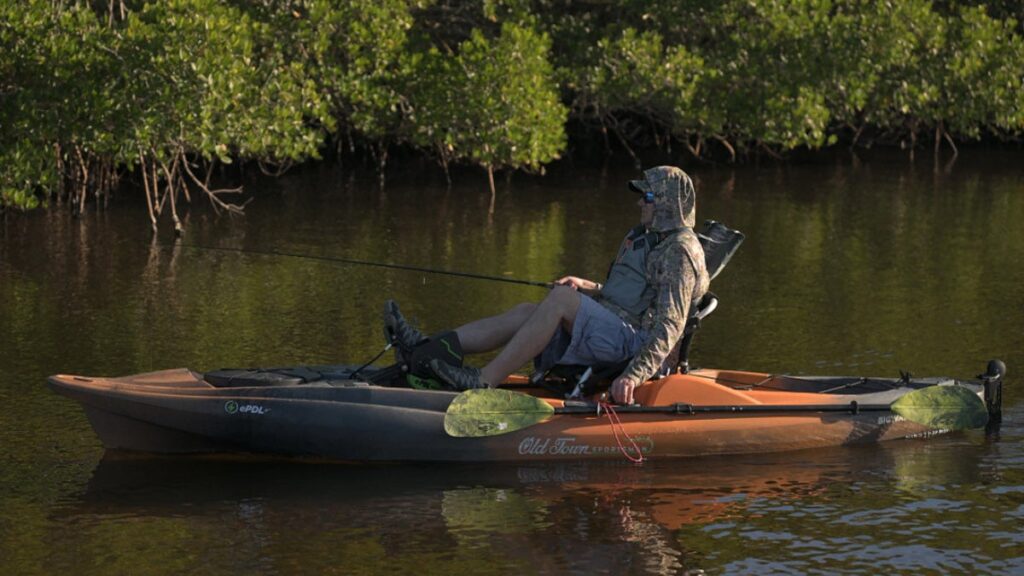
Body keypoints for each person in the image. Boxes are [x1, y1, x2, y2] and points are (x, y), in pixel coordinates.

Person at [384, 166, 710, 404]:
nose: (641, 203)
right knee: (531, 309)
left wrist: (633, 376)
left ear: (669, 203)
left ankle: (483, 381)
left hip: (634, 346)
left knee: (561, 301)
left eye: (648, 197)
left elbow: (669, 325)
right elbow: (639, 294)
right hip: (619, 327)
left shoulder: (679, 251)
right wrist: (590, 286)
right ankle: (428, 350)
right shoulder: (655, 239)